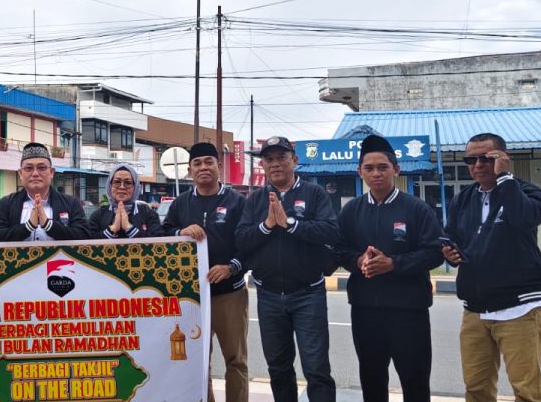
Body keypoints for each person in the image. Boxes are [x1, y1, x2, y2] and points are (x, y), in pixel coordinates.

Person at [334, 136, 444, 402]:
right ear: (359, 172)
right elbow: (338, 250)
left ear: (396, 169)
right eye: (369, 168)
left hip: (409, 311)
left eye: (382, 167)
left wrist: (394, 264)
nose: (376, 173)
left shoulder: (416, 208)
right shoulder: (351, 211)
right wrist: (358, 260)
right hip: (365, 310)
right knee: (372, 381)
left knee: (415, 381)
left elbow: (434, 252)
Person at [441, 133, 541, 402]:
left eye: (487, 158)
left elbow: (524, 219)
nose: (478, 165)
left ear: (503, 158)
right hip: (475, 309)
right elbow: (451, 236)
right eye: (471, 160)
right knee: (476, 388)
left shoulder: (527, 192)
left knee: (526, 391)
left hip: (519, 307)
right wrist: (450, 253)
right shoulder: (463, 199)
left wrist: (504, 179)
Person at [234, 135, 338, 402]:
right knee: (278, 369)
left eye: (281, 157)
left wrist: (290, 224)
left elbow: (330, 231)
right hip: (268, 296)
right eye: (269, 159)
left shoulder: (314, 193)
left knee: (316, 369)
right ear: (263, 165)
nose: (275, 164)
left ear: (295, 160)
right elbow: (242, 239)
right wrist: (266, 226)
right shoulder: (255, 200)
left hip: (308, 294)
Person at [161, 142, 250, 402]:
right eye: (197, 163)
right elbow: (162, 235)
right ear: (190, 170)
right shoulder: (181, 204)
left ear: (219, 166)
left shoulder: (237, 202)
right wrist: (180, 232)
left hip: (229, 294)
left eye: (209, 162)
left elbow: (250, 245)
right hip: (193, 297)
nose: (203, 168)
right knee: (198, 361)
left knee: (236, 360)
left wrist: (230, 268)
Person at [0, 142, 90, 242]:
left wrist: (49, 225)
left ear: (51, 172)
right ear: (20, 174)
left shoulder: (71, 203)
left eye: (41, 168)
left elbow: (84, 236)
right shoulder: (6, 204)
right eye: (29, 168)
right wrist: (28, 226)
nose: (35, 173)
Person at [87, 164, 163, 240]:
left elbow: (158, 241)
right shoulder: (98, 215)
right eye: (117, 182)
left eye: (128, 183)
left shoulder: (148, 214)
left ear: (135, 187)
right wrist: (112, 229)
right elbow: (88, 242)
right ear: (110, 186)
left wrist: (129, 228)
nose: (122, 187)